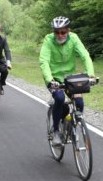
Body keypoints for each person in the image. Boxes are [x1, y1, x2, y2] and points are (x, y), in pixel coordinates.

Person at [39, 16, 95, 146]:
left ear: (68, 30)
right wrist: (49, 79)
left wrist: (90, 74)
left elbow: (85, 55)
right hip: (54, 77)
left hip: (70, 77)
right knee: (59, 98)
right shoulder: (48, 40)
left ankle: (69, 123)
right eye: (56, 32)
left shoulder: (74, 38)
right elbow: (44, 61)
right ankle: (56, 132)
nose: (59, 35)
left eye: (63, 32)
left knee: (79, 102)